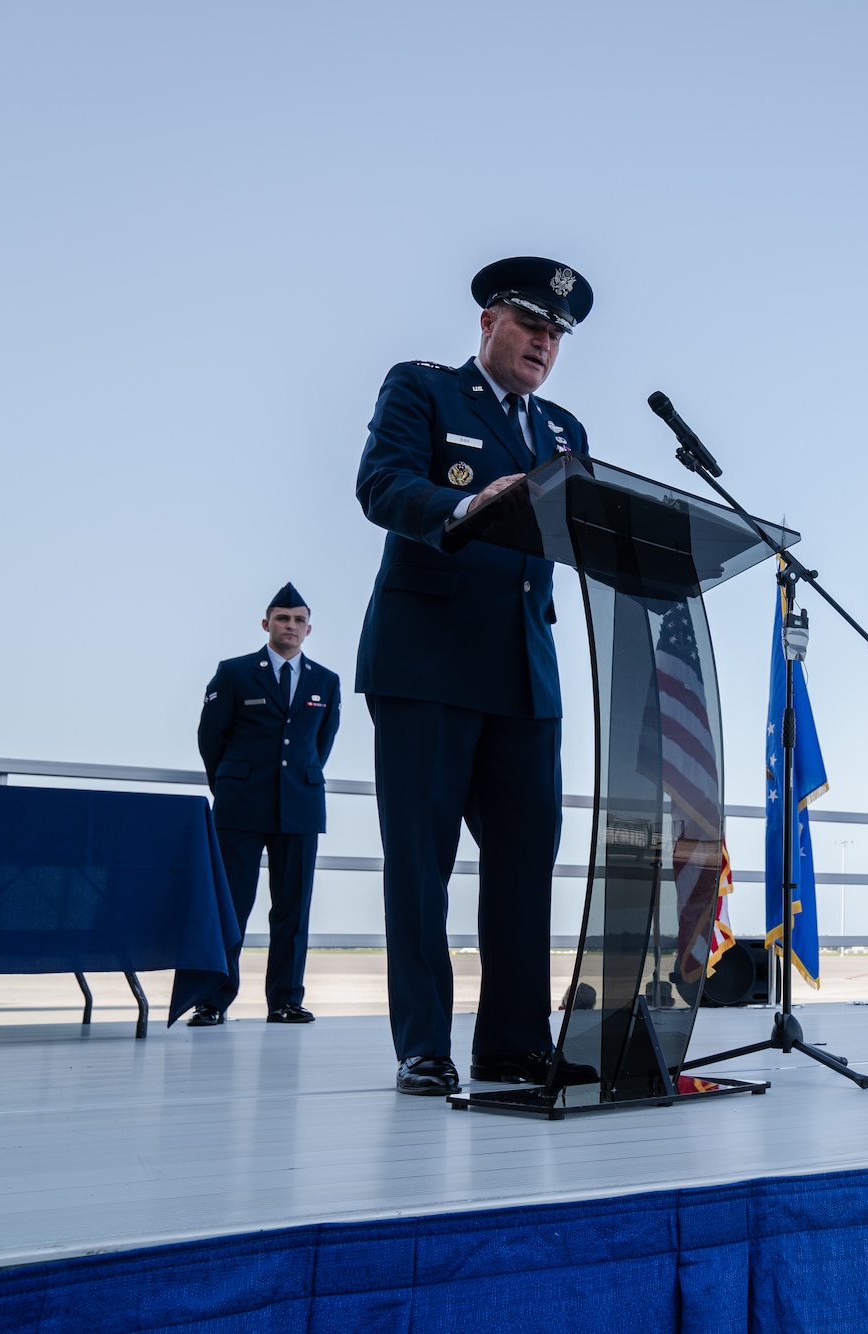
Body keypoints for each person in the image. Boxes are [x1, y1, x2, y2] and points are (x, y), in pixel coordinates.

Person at [354, 256, 604, 1096]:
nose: (544, 342)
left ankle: (511, 1043)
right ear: (489, 322)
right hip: (427, 659)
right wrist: (464, 507)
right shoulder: (423, 390)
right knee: (420, 863)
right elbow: (381, 484)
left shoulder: (564, 431)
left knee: (526, 862)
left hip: (525, 674)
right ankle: (424, 1045)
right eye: (532, 324)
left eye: (557, 334)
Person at [193, 583, 341, 1025]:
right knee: (230, 906)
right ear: (266, 624)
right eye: (282, 618)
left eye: (298, 620)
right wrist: (231, 785)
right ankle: (212, 1001)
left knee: (293, 910)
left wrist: (297, 781)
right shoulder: (235, 672)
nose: (290, 626)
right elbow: (210, 739)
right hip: (240, 807)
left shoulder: (325, 681)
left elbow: (321, 743)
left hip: (300, 807)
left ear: (308, 628)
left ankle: (285, 1001)